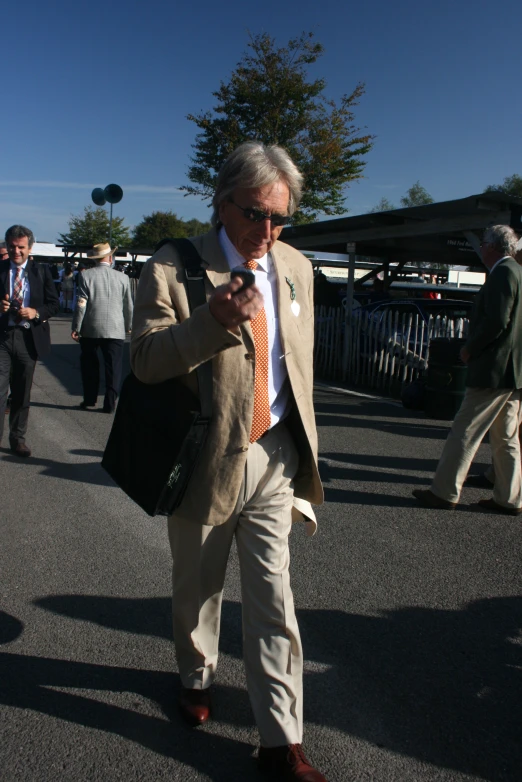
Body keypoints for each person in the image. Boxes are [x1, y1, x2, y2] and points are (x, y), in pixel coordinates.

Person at [131, 142, 325, 781]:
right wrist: (210, 323)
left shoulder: (294, 265)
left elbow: (297, 364)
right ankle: (196, 674)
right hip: (202, 457)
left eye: (279, 218)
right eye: (255, 215)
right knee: (198, 587)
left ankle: (281, 742)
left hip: (273, 455)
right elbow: (147, 362)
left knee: (275, 599)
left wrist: (298, 459)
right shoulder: (173, 266)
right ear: (221, 203)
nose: (266, 231)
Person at [413, 224, 522, 516]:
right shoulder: (518, 272)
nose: (481, 249)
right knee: (506, 437)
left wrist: (470, 348)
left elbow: (497, 321)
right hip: (514, 371)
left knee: (464, 430)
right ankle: (509, 498)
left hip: (494, 369)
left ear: (492, 247)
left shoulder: (503, 273)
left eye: (484, 244)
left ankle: (445, 491)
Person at [0, 225, 59, 456]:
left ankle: (18, 440)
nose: (16, 252)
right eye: (12, 247)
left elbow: (53, 304)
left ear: (29, 247)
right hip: (2, 337)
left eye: (21, 247)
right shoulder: (1, 269)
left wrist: (36, 312)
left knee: (21, 392)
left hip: (28, 337)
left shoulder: (41, 272)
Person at [71, 242, 133, 413]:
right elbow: (129, 305)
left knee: (90, 365)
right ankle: (110, 403)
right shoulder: (123, 278)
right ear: (110, 258)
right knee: (113, 367)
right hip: (115, 328)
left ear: (95, 259)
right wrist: (128, 325)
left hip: (91, 327)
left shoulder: (86, 276)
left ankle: (90, 399)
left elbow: (81, 304)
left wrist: (76, 326)